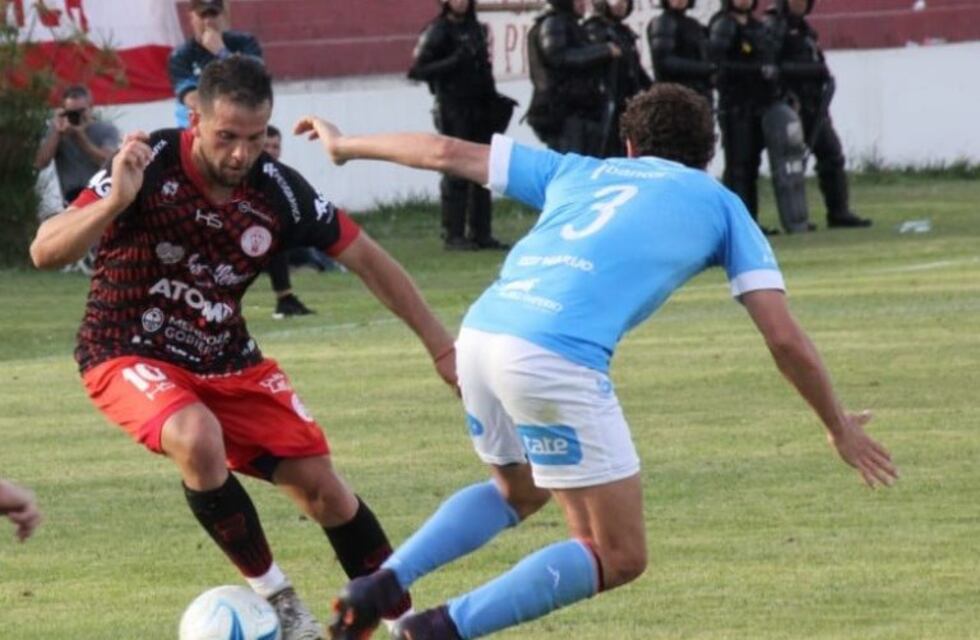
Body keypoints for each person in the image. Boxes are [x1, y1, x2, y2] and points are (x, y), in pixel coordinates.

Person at [303, 82, 898, 640]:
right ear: (707, 155)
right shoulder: (720, 203)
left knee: (518, 490)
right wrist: (836, 426)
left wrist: (343, 145)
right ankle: (434, 629)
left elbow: (442, 150)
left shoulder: (579, 170)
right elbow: (783, 338)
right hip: (552, 354)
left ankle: (383, 582)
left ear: (630, 146)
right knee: (616, 555)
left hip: (483, 332)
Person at [30, 55, 457, 640]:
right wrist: (112, 205)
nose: (240, 153)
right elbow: (44, 250)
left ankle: (407, 623)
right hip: (125, 349)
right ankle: (280, 603)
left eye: (255, 138)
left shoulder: (278, 192)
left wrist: (441, 347)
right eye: (226, 136)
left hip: (226, 358)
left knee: (324, 492)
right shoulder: (147, 160)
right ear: (194, 117)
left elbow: (370, 261)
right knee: (194, 435)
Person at [408, 0, 514, 251]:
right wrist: (454, 61)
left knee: (484, 169)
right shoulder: (438, 30)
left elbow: (483, 68)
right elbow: (417, 70)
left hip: (479, 107)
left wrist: (494, 99)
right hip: (452, 108)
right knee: (455, 170)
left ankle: (481, 233)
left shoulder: (475, 28)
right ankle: (453, 234)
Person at [764, 0, 871, 228]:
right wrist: (808, 74)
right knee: (789, 165)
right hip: (792, 107)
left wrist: (822, 75)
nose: (800, 4)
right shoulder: (775, 26)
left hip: (814, 105)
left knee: (832, 154)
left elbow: (816, 62)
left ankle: (838, 212)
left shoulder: (805, 30)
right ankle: (795, 218)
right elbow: (773, 68)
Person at [708, 0, 782, 235]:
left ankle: (751, 221)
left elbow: (768, 55)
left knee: (751, 165)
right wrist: (754, 71)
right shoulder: (723, 25)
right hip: (735, 105)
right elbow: (717, 65)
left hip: (758, 104)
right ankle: (738, 224)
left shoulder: (756, 25)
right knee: (738, 165)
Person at [33, 84, 121, 274]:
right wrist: (55, 133)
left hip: (100, 192)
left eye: (80, 111)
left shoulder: (104, 130)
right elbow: (41, 162)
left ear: (91, 108)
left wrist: (80, 136)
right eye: (71, 112)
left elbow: (107, 160)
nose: (76, 117)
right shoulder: (59, 132)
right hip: (73, 196)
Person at [525, 0, 622, 155]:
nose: (584, 3)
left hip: (575, 110)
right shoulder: (554, 23)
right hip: (563, 113)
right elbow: (559, 57)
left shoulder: (569, 23)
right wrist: (604, 50)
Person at [169, 0, 262, 129]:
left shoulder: (245, 43)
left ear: (224, 16)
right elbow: (192, 99)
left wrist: (222, 52)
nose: (208, 21)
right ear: (191, 17)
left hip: (241, 126)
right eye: (202, 15)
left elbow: (257, 81)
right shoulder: (181, 55)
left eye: (213, 14)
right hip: (196, 128)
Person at [583, 0, 652, 157]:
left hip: (625, 104)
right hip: (604, 107)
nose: (621, 3)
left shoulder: (624, 31)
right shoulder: (593, 29)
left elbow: (635, 69)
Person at [263, 125, 319, 318]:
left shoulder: (281, 174)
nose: (271, 151)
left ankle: (286, 299)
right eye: (266, 146)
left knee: (285, 241)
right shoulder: (244, 170)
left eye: (275, 146)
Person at [647, 0, 715, 107]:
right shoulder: (663, 22)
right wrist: (704, 68)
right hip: (674, 95)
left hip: (697, 93)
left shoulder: (693, 24)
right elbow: (663, 62)